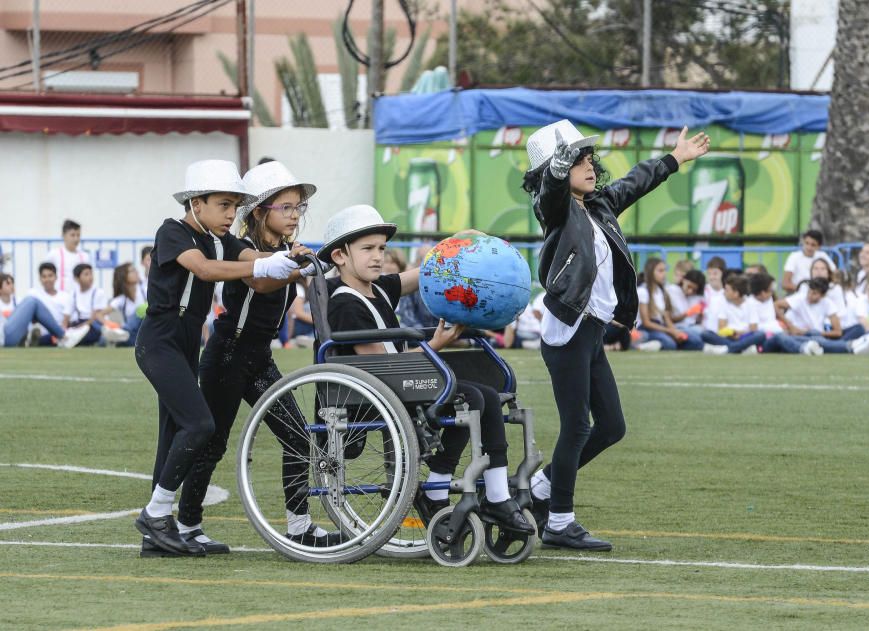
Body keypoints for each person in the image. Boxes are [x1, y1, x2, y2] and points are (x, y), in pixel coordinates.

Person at [521, 119, 709, 550]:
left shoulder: (599, 206)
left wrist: (675, 158)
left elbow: (635, 182)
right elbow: (550, 186)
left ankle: (543, 489)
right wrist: (561, 158)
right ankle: (559, 522)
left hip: (593, 332)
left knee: (612, 427)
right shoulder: (554, 207)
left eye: (590, 158)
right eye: (578, 159)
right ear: (557, 165)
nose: (590, 165)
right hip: (568, 330)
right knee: (576, 427)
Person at [319, 204, 534, 536]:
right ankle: (441, 489)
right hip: (380, 388)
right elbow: (380, 365)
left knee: (486, 397)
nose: (378, 256)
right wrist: (436, 344)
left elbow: (427, 270)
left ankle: (495, 495)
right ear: (339, 256)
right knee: (472, 397)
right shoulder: (345, 303)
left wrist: (462, 240)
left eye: (381, 248)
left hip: (401, 380)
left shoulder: (379, 289)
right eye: (367, 249)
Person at [133, 159, 306, 558]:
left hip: (185, 346)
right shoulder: (173, 231)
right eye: (224, 205)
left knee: (173, 435)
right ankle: (157, 514)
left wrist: (288, 261)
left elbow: (250, 265)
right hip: (159, 342)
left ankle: (155, 538)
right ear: (197, 202)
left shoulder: (220, 239)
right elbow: (206, 271)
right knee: (199, 425)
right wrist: (266, 263)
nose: (232, 214)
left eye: (235, 206)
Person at [175, 160, 331, 556]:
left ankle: (299, 526)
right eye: (287, 207)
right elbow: (260, 282)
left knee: (298, 436)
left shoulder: (283, 251)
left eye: (299, 208)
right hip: (228, 355)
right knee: (213, 443)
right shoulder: (240, 247)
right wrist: (296, 268)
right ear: (261, 210)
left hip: (258, 358)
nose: (295, 215)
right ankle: (186, 524)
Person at [774, 278, 869, 354]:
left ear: (822, 295)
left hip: (819, 334)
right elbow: (776, 305)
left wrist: (821, 333)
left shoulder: (827, 303)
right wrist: (790, 326)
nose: (810, 296)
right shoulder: (799, 299)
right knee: (814, 336)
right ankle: (852, 345)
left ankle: (841, 345)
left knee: (859, 328)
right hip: (801, 335)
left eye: (815, 293)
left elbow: (838, 332)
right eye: (809, 292)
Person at [636, 257, 703, 351]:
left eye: (665, 270)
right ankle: (644, 345)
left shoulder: (662, 292)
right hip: (648, 328)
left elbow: (666, 319)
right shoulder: (643, 291)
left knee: (696, 342)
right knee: (669, 343)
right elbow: (647, 323)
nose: (664, 274)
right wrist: (670, 331)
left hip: (662, 327)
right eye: (660, 271)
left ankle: (657, 345)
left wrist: (675, 332)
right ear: (651, 272)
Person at [698, 274, 765, 355]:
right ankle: (739, 348)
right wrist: (732, 333)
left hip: (745, 337)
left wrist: (740, 333)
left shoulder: (750, 303)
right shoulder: (723, 303)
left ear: (736, 293)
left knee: (760, 335)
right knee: (705, 334)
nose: (724, 292)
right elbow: (721, 328)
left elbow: (753, 328)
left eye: (727, 290)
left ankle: (728, 349)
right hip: (728, 337)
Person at [68, 263, 129, 346]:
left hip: (93, 323)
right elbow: (68, 315)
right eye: (86, 274)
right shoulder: (73, 294)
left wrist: (79, 329)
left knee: (95, 328)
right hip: (80, 323)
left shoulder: (98, 292)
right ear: (77, 278)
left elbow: (95, 316)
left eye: (91, 274)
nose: (90, 277)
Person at [1, 294, 89, 348]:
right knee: (31, 302)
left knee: (31, 302)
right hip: (4, 336)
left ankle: (62, 337)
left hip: (4, 328)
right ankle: (64, 337)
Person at [26, 262, 71, 346]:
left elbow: (66, 321)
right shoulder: (33, 293)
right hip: (39, 331)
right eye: (44, 277)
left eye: (50, 276)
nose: (47, 280)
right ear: (40, 279)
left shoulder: (65, 296)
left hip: (57, 333)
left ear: (56, 277)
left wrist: (60, 333)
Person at [781, 229, 836, 294]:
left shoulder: (823, 256)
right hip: (798, 295)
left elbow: (835, 276)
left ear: (819, 246)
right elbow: (785, 284)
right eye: (807, 243)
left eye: (813, 245)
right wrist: (805, 291)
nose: (809, 247)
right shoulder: (794, 257)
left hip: (820, 295)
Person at [45, 219, 89, 292]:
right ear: (63, 235)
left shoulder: (84, 256)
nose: (76, 239)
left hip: (78, 297)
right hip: (60, 297)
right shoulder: (54, 254)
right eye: (72, 235)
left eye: (78, 235)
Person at [109, 263, 144, 347]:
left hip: (145, 330)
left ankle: (120, 334)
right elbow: (100, 314)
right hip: (132, 332)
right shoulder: (121, 299)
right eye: (132, 271)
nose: (136, 272)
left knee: (143, 308)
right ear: (124, 276)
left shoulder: (144, 291)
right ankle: (120, 334)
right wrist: (109, 324)